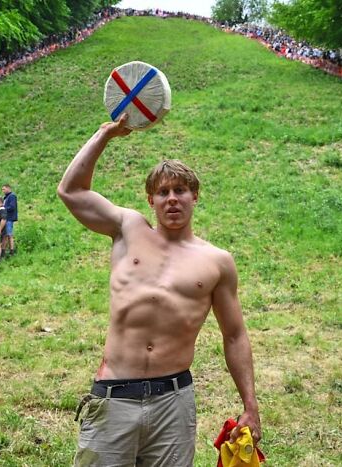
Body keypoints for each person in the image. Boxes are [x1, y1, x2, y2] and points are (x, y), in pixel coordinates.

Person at [58, 115, 261, 466]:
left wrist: (250, 404)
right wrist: (105, 134)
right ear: (150, 199)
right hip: (114, 398)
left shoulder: (216, 261)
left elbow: (234, 335)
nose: (172, 199)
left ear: (194, 196)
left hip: (173, 401)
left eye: (180, 190)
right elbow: (71, 191)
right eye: (163, 192)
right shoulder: (127, 228)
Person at [1, 184, 17, 256]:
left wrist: (3, 208)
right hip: (6, 218)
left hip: (9, 218)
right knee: (5, 235)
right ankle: (3, 250)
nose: (3, 191)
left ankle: (11, 250)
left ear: (8, 188)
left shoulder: (12, 196)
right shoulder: (6, 197)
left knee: (9, 234)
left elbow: (12, 207)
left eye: (4, 189)